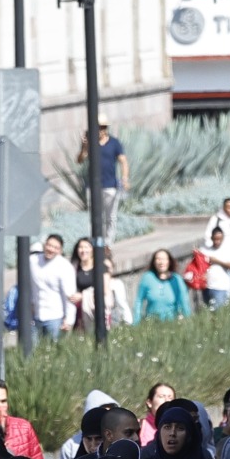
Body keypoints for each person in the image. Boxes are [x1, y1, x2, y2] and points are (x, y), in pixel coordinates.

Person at [79, 113, 129, 243]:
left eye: (103, 127)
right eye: (98, 127)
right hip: (93, 186)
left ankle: (108, 243)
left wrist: (124, 178)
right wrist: (84, 147)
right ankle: (95, 242)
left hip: (110, 185)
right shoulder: (90, 143)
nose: (100, 130)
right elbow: (80, 160)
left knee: (110, 217)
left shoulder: (114, 143)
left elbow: (123, 161)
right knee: (94, 216)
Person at [135, 248, 193, 322]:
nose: (161, 262)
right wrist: (136, 322)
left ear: (169, 261)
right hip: (152, 323)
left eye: (164, 259)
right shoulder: (147, 278)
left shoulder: (177, 279)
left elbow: (184, 301)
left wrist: (188, 320)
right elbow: (138, 300)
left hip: (172, 322)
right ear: (154, 262)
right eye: (158, 259)